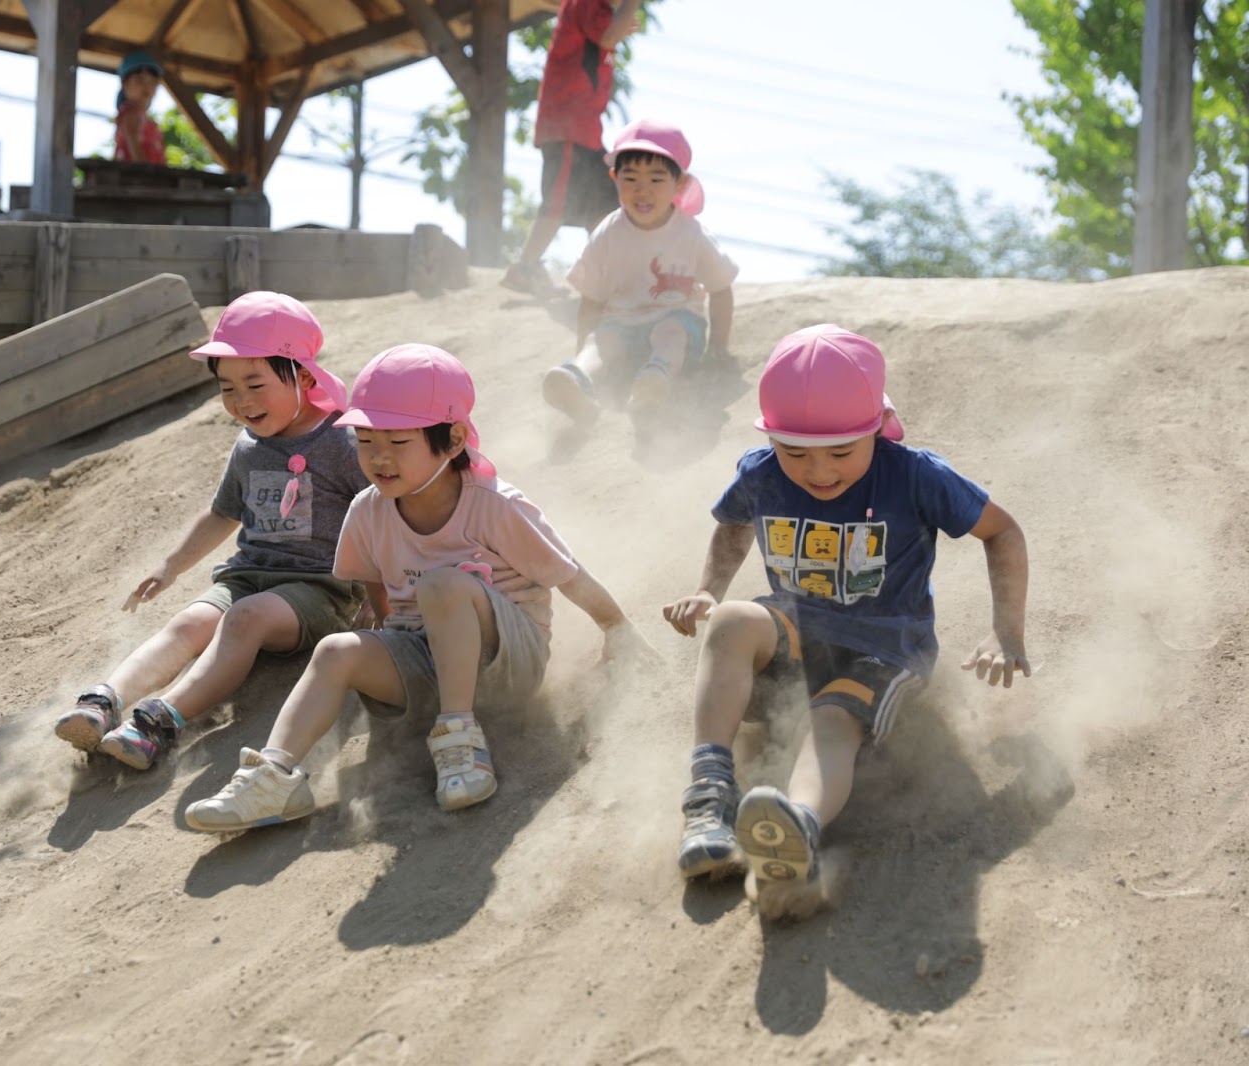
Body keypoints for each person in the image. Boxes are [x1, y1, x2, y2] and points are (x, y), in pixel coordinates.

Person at [184, 343, 650, 832]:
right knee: (336, 649)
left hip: (507, 666)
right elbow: (374, 590)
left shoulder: (496, 506)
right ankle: (274, 778)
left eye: (397, 443)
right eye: (364, 441)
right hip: (423, 667)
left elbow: (570, 574)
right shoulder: (367, 510)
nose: (378, 458)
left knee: (444, 586)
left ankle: (459, 744)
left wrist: (617, 627)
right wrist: (380, 639)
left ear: (451, 441)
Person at [661, 325, 1030, 916]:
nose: (818, 471)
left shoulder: (914, 475)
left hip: (883, 650)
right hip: (797, 631)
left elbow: (1002, 531)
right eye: (795, 453)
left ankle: (798, 826)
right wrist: (707, 591)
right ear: (771, 439)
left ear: (875, 429)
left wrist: (1005, 631)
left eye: (839, 452)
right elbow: (734, 524)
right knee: (730, 620)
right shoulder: (761, 473)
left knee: (829, 723)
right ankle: (707, 799)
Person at [53, 291, 372, 770]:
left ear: (303, 376)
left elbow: (380, 513)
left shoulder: (343, 440)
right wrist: (172, 566)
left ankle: (158, 722)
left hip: (319, 591)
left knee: (245, 619)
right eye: (227, 389)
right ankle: (103, 702)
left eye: (255, 384)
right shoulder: (249, 447)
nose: (242, 402)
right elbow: (223, 513)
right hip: (248, 577)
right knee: (189, 622)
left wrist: (377, 592)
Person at [542, 118, 739, 432]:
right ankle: (577, 379)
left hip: (679, 327)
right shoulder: (607, 233)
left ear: (679, 183)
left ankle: (654, 381)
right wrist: (584, 344)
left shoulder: (691, 234)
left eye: (656, 179)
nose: (642, 190)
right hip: (622, 327)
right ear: (614, 178)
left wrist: (718, 345)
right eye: (630, 178)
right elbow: (591, 299)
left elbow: (720, 288)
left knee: (671, 331)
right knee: (602, 339)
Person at [501, 0, 642, 297]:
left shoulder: (596, 9)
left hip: (584, 129)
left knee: (604, 203)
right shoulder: (586, 2)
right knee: (558, 202)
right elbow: (608, 37)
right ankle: (524, 268)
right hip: (568, 127)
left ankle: (607, 274)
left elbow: (609, 34)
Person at [113, 51, 167, 165]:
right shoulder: (130, 113)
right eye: (139, 80)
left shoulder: (146, 119)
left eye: (152, 81)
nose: (146, 86)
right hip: (138, 179)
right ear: (124, 83)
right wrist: (148, 177)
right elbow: (134, 147)